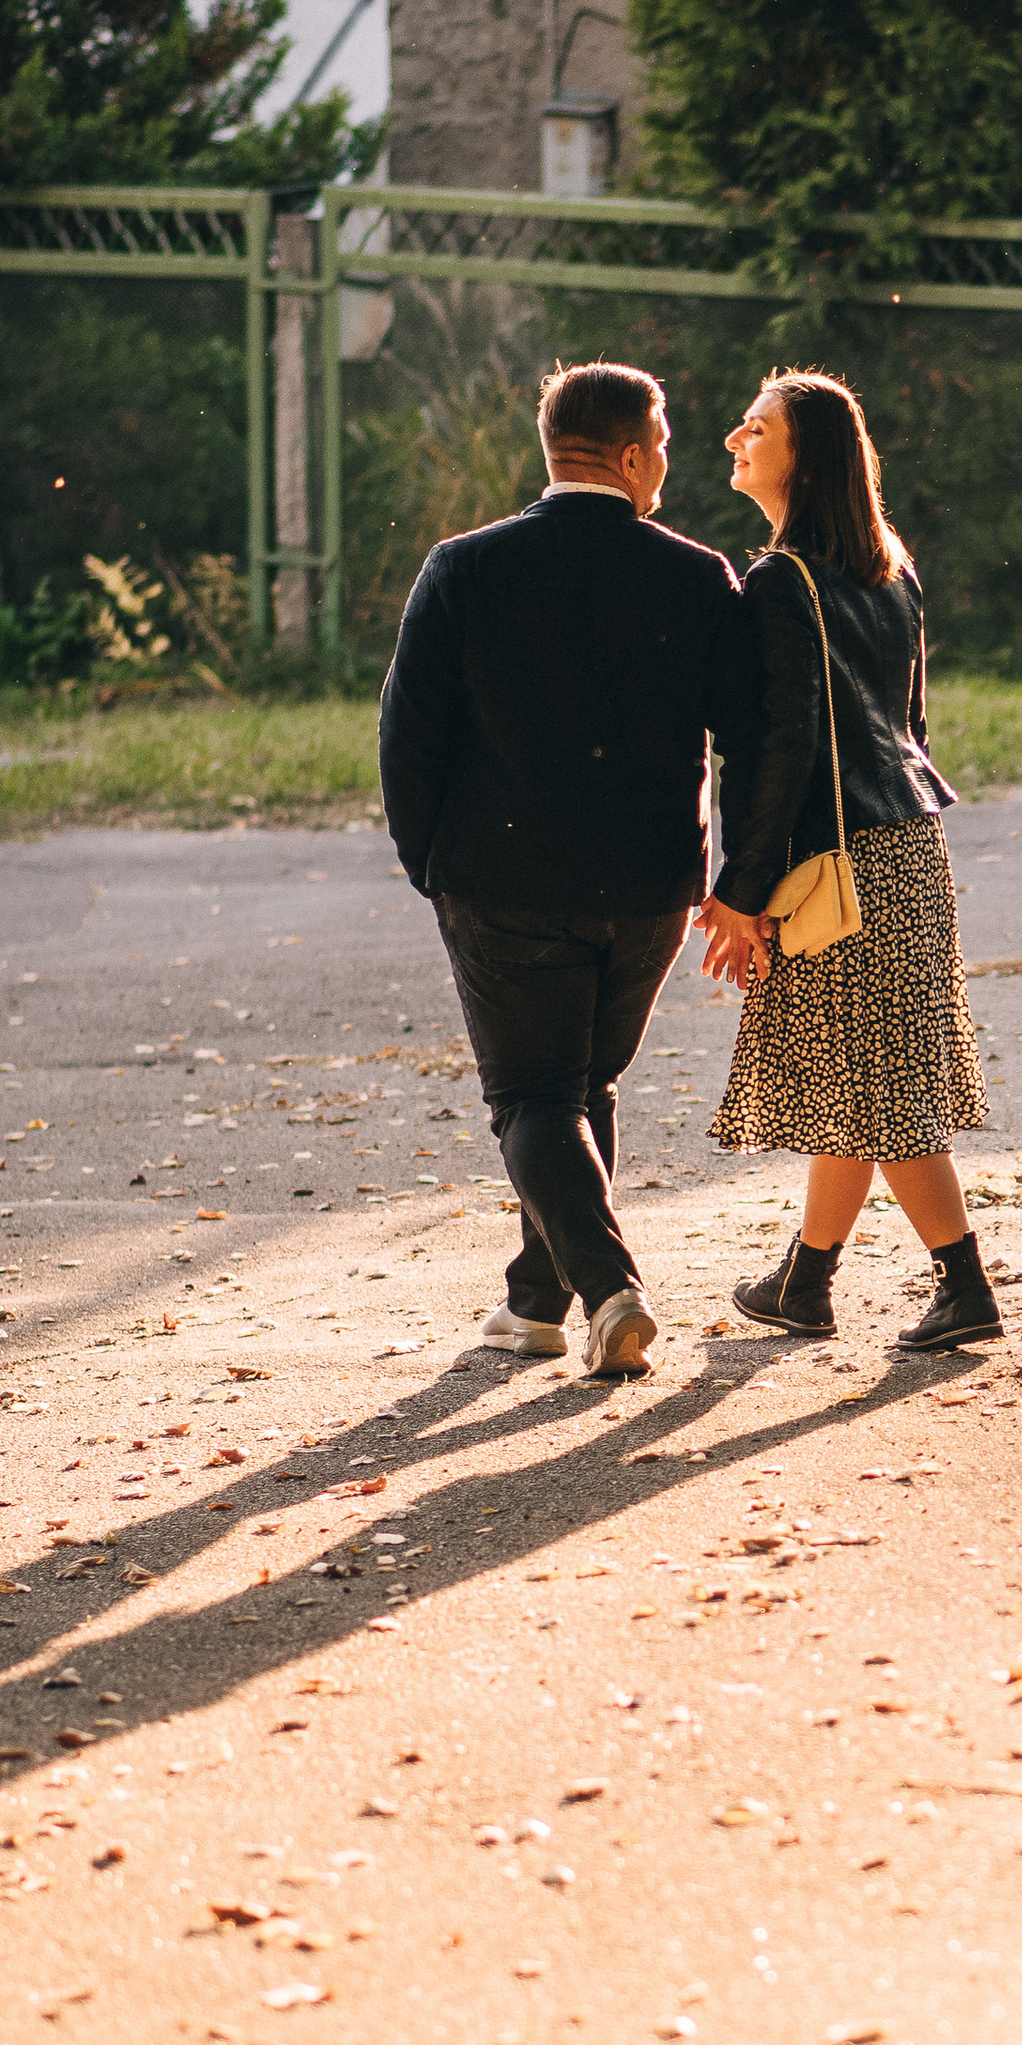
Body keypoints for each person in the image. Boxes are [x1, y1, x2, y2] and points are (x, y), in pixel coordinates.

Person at [379, 357, 753, 1379]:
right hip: (648, 889)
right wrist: (732, 876)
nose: (668, 462)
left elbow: (407, 741)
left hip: (501, 880)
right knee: (585, 1089)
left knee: (536, 1098)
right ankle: (534, 1302)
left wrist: (434, 868)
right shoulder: (695, 574)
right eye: (665, 446)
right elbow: (748, 740)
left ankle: (610, 1291)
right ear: (631, 456)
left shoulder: (463, 568)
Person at [697, 368, 999, 1353]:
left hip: (842, 856)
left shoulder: (782, 583)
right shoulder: (891, 570)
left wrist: (740, 894)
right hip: (911, 843)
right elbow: (909, 724)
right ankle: (804, 1278)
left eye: (759, 425)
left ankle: (963, 1286)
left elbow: (778, 749)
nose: (736, 436)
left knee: (877, 1084)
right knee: (859, 1069)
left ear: (804, 453)